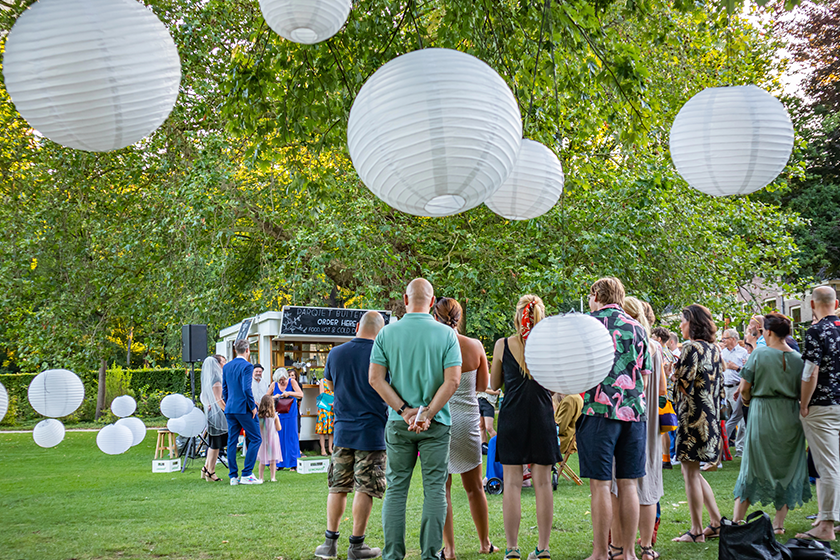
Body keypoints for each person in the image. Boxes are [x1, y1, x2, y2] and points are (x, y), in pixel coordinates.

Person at [368, 278, 462, 560]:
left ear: (405, 300)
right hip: (436, 423)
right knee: (434, 488)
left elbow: (375, 379)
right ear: (432, 303)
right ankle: (430, 555)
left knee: (396, 487)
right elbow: (453, 381)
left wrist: (404, 411)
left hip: (399, 424)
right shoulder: (447, 335)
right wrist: (427, 413)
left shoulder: (386, 334)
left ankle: (393, 554)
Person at [578, 278, 650, 560]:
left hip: (598, 411)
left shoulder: (588, 325)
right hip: (634, 414)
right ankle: (629, 553)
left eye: (590, 293)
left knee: (600, 485)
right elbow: (643, 376)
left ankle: (599, 553)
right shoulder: (638, 328)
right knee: (629, 482)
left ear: (596, 294)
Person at [314, 311, 387, 560]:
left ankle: (328, 544)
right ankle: (357, 546)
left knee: (338, 487)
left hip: (343, 430)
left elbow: (330, 387)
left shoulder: (336, 354)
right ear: (381, 331)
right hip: (373, 430)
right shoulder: (383, 354)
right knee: (365, 488)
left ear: (357, 326)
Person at [492, 295, 560, 560]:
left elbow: (495, 383)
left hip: (512, 417)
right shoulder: (550, 347)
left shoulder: (502, 345)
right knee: (543, 484)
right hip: (542, 416)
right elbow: (554, 386)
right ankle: (543, 548)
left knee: (511, 484)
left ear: (517, 314)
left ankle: (512, 548)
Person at [732, 313, 810, 534]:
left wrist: (747, 401)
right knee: (787, 467)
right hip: (790, 414)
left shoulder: (759, 353)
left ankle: (737, 520)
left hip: (762, 412)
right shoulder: (798, 358)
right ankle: (778, 524)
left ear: (768, 332)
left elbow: (745, 387)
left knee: (752, 465)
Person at [434, 297, 495, 559]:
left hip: (440, 419)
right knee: (475, 488)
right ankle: (484, 542)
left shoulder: (431, 348)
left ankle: (449, 549)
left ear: (434, 316)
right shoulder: (474, 346)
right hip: (467, 422)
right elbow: (482, 386)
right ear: (459, 318)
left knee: (442, 489)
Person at [670, 304, 723, 542]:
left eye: (683, 320)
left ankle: (696, 530)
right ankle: (716, 522)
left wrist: (673, 373)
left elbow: (684, 383)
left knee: (689, 471)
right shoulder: (714, 349)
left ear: (692, 323)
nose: (680, 325)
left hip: (692, 414)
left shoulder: (690, 347)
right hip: (709, 415)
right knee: (694, 472)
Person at [619, 297, 664, 560]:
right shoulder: (655, 347)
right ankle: (646, 546)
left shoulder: (626, 343)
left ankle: (622, 545)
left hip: (631, 417)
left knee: (624, 482)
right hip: (650, 419)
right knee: (647, 482)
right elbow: (661, 387)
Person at [797, 285, 840, 542]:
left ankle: (826, 524)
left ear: (812, 305)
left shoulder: (816, 331)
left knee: (827, 466)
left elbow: (810, 372)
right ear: (836, 304)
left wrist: (803, 404)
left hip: (823, 405)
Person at [222, 339, 263, 485]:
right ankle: (247, 473)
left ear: (235, 350)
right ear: (247, 350)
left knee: (232, 441)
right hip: (244, 408)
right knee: (256, 438)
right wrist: (252, 406)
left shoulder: (227, 366)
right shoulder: (247, 366)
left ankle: (233, 476)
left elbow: (224, 389)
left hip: (230, 408)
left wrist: (229, 403)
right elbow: (247, 388)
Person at [721, 328, 749, 458]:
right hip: (724, 389)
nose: (723, 341)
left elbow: (747, 372)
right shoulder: (722, 353)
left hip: (737, 388)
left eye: (725, 338)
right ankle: (723, 446)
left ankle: (740, 449)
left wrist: (735, 367)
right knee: (725, 418)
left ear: (733, 339)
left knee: (739, 421)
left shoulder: (744, 353)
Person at [200, 355, 227, 482]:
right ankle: (211, 471)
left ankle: (206, 468)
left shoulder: (209, 379)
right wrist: (228, 411)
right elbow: (219, 399)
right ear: (217, 364)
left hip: (212, 414)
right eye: (223, 361)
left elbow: (204, 396)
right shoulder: (217, 379)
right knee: (215, 445)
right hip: (217, 415)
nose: (225, 363)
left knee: (213, 444)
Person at [270, 367, 303, 470]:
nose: (282, 382)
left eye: (283, 379)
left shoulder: (292, 382)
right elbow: (266, 397)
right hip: (279, 415)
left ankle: (294, 463)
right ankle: (279, 463)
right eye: (279, 380)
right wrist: (274, 397)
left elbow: (300, 394)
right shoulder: (273, 385)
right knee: (279, 438)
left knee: (291, 438)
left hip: (291, 414)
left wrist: (289, 393)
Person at [257, 394, 282, 482]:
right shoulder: (274, 416)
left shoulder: (259, 416)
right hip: (273, 439)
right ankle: (272, 477)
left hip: (263, 439)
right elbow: (279, 428)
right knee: (273, 459)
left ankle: (261, 477)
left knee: (262, 460)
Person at [477, 386, 500, 453]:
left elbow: (497, 392)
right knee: (481, 426)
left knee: (489, 427)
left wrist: (484, 390)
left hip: (488, 403)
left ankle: (498, 446)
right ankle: (484, 446)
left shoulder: (491, 378)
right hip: (479, 401)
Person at [317, 378, 335, 456]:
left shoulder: (335, 379)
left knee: (331, 429)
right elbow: (321, 393)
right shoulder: (322, 381)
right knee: (322, 428)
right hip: (324, 407)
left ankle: (330, 448)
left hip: (333, 407)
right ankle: (323, 449)